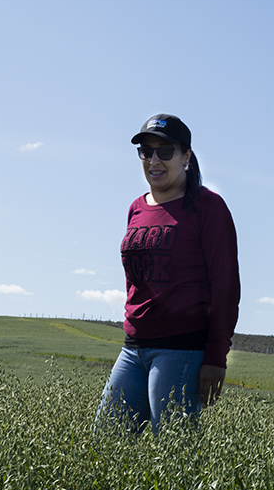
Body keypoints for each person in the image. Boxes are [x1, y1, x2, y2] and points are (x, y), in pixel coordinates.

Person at [96, 113, 240, 434]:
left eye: (165, 151)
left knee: (174, 456)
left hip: (181, 351)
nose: (153, 160)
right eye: (146, 151)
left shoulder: (208, 207)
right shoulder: (136, 208)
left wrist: (216, 356)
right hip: (133, 349)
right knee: (104, 445)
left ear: (186, 156)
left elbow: (225, 285)